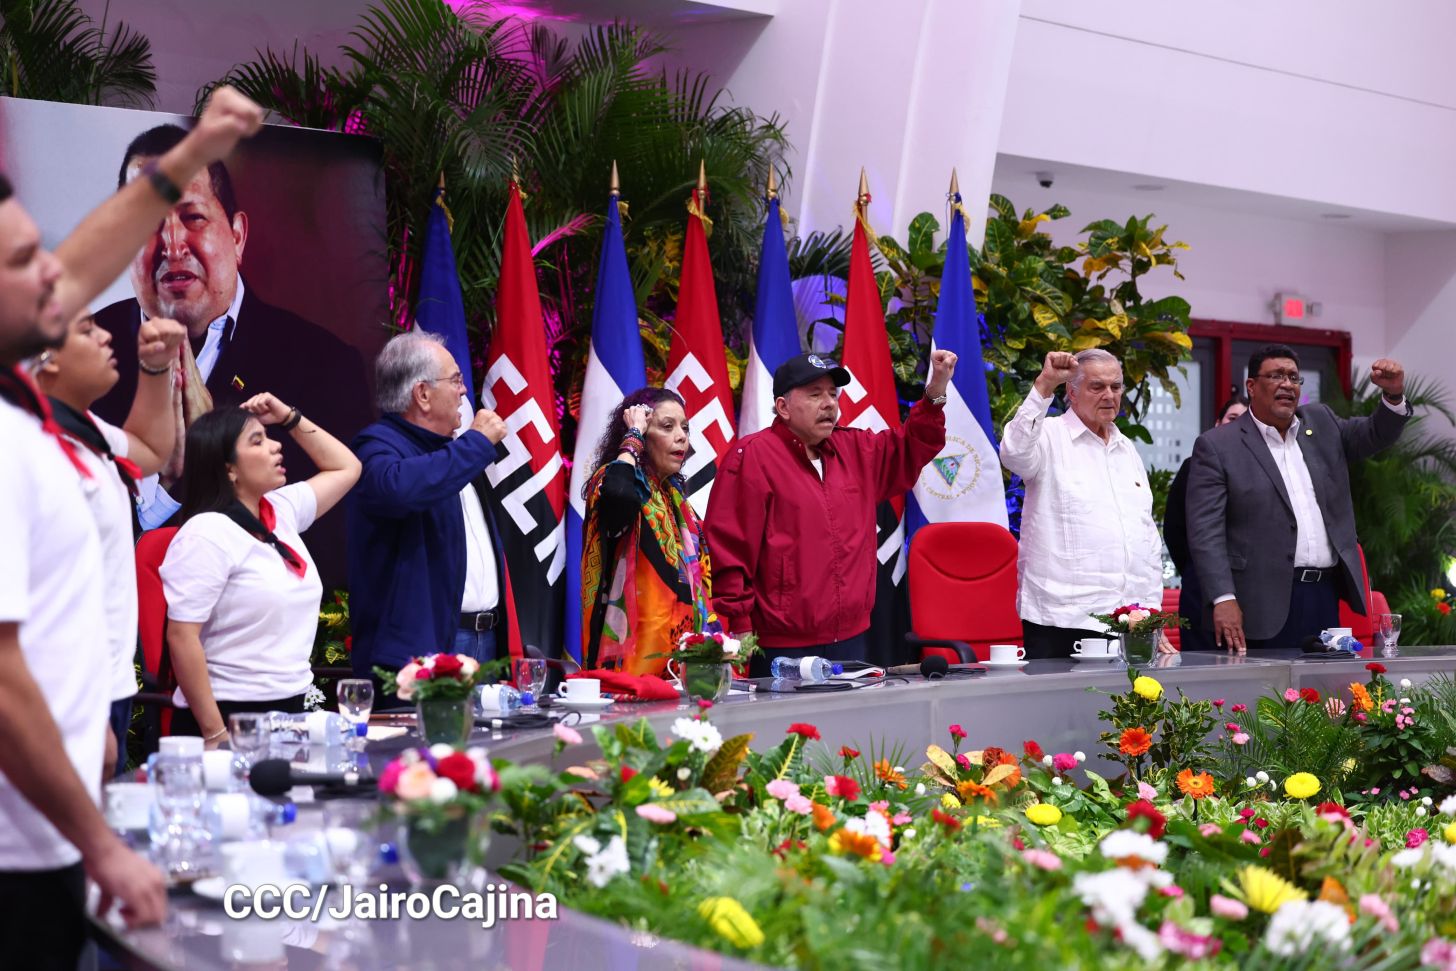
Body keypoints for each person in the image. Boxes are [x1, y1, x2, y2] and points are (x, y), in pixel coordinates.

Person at [0, 85, 261, 962]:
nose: (60, 275)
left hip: (51, 818)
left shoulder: (27, 403)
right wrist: (101, 840)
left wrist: (191, 154)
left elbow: (81, 263)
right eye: (26, 261)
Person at [90, 124, 372, 582]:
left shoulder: (324, 362)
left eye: (193, 217)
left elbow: (334, 539)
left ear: (237, 235)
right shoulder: (77, 356)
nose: (172, 244)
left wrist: (202, 471)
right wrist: (163, 490)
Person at [708, 350, 952, 677]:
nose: (829, 404)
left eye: (833, 394)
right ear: (783, 407)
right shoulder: (752, 457)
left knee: (847, 713)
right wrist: (739, 621)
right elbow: (731, 547)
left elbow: (913, 445)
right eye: (815, 395)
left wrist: (935, 392)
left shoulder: (856, 450)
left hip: (852, 638)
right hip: (781, 643)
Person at [31, 312, 187, 778]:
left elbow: (150, 450)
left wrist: (155, 367)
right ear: (45, 358)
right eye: (86, 330)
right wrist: (80, 709)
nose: (105, 334)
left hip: (108, 686)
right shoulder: (26, 443)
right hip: (65, 700)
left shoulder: (82, 427)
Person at [160, 393, 360, 744]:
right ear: (229, 468)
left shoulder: (280, 510)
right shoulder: (206, 533)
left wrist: (289, 418)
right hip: (227, 716)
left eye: (268, 437)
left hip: (289, 709)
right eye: (257, 441)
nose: (275, 446)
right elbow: (181, 636)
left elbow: (347, 467)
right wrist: (215, 733)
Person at [1187, 344, 1410, 653]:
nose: (1287, 384)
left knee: (1322, 682)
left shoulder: (1321, 423)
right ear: (1251, 386)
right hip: (1258, 602)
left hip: (1323, 594)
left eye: (1293, 377)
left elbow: (1374, 433)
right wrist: (1223, 598)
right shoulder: (1218, 445)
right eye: (1276, 375)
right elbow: (1205, 532)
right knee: (1265, 684)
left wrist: (1393, 395)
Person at [347, 332, 510, 697]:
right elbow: (400, 489)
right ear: (422, 394)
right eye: (455, 380)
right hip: (420, 652)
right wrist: (476, 443)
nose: (464, 391)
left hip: (485, 639)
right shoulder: (377, 445)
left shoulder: (453, 452)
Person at [1000, 349, 1175, 660]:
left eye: (1116, 386)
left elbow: (1146, 539)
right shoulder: (1049, 435)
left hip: (1128, 622)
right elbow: (1014, 454)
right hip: (1062, 621)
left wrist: (1151, 612)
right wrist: (1044, 385)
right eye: (1097, 386)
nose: (1109, 395)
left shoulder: (1127, 450)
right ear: (1072, 392)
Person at [581, 388, 713, 674]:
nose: (681, 436)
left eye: (685, 428)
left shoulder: (676, 500)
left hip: (680, 662)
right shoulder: (614, 479)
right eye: (667, 426)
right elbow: (619, 496)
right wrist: (633, 437)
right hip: (631, 664)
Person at [1163, 394, 1247, 651]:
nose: (1237, 426)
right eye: (1232, 418)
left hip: (1249, 590)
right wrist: (1196, 567)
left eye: (1244, 421)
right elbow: (1174, 529)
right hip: (1200, 587)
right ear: (1217, 424)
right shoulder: (1194, 467)